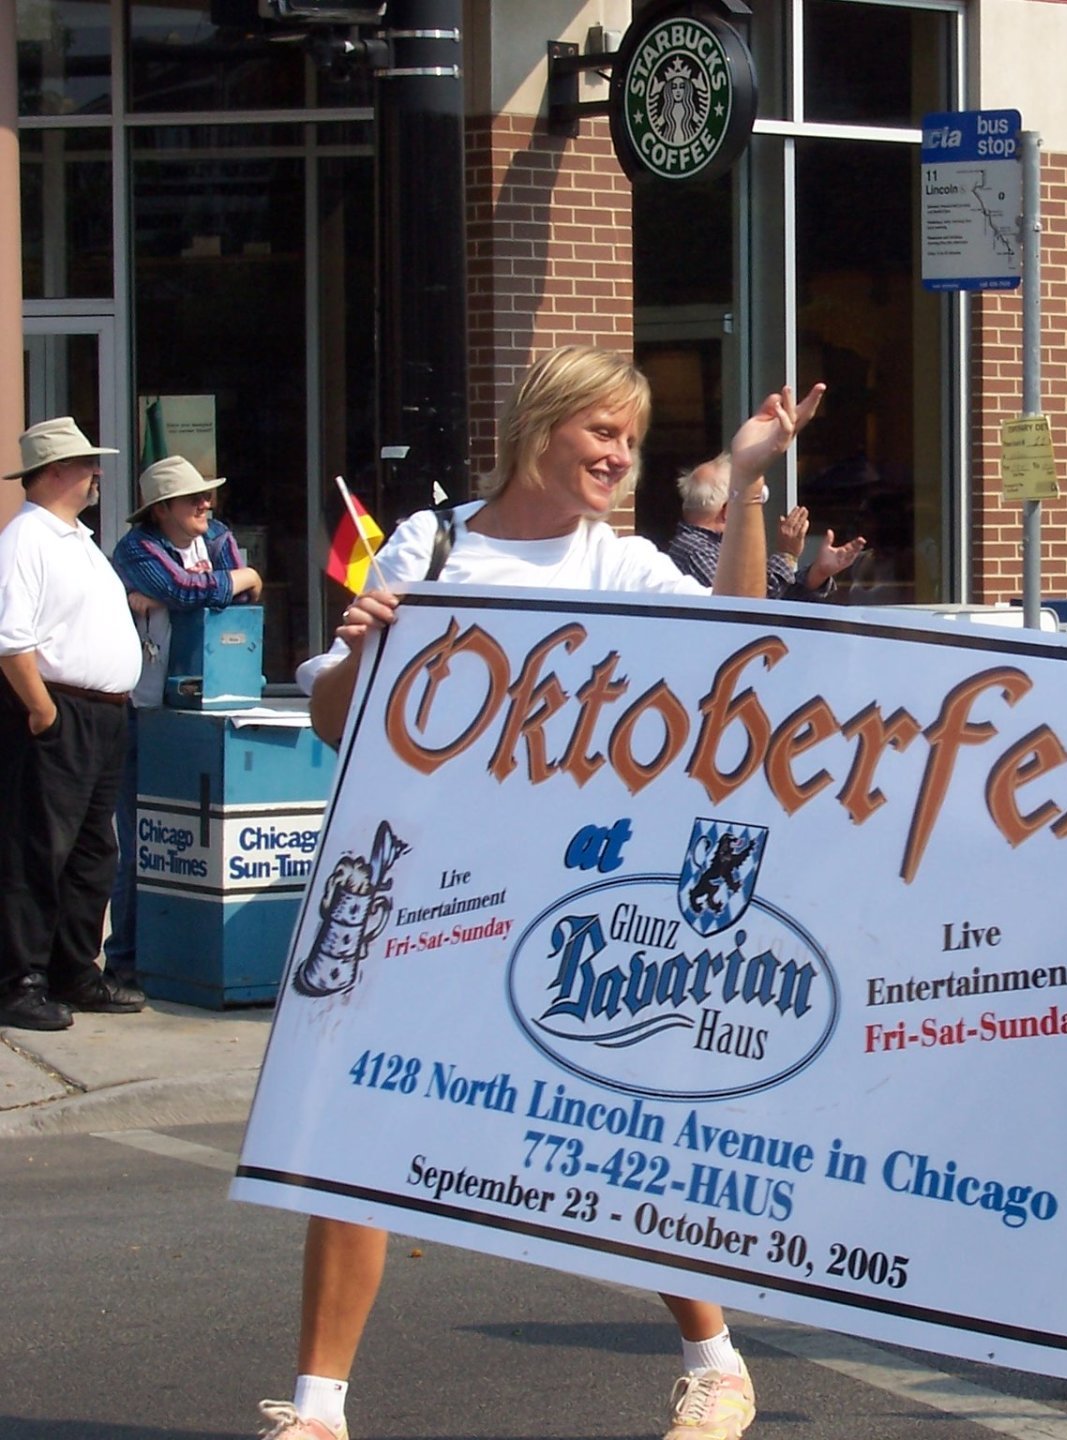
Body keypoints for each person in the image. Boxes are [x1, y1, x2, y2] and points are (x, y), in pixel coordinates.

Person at [277, 347, 824, 1440]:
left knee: (611, 1126)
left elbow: (743, 633)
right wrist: (356, 655)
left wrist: (752, 484)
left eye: (631, 438)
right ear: (542, 428)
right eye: (601, 433)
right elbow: (336, 722)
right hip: (415, 889)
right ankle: (315, 1408)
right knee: (351, 1133)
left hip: (572, 897)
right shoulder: (433, 545)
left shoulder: (614, 563)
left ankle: (714, 1363)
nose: (619, 457)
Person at [0, 417, 149, 1031]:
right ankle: (18, 980)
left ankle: (73, 970)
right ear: (56, 471)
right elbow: (12, 639)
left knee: (92, 851)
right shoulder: (27, 538)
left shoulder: (76, 539)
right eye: (88, 464)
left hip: (103, 713)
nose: (98, 474)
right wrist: (42, 709)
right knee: (39, 848)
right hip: (62, 709)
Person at [105, 456, 263, 985]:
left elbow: (236, 597)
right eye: (193, 498)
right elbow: (190, 591)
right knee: (142, 839)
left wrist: (233, 580)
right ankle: (124, 957)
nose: (206, 504)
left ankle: (178, 951)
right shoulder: (136, 549)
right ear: (161, 509)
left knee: (193, 841)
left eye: (207, 495)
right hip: (145, 710)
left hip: (208, 709)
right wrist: (240, 576)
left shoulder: (215, 537)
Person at [667, 452, 865, 599]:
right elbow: (751, 606)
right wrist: (787, 555)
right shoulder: (697, 552)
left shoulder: (713, 547)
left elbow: (777, 598)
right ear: (728, 511)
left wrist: (818, 572)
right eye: (751, 504)